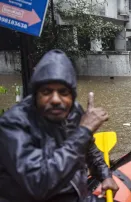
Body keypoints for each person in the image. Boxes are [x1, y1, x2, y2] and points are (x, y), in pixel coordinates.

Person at [0, 50, 119, 202]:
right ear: (35, 95)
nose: (56, 99)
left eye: (63, 92)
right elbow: (38, 184)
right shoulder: (13, 124)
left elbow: (89, 149)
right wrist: (84, 131)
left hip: (75, 195)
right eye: (47, 91)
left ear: (72, 95)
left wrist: (105, 175)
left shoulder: (74, 111)